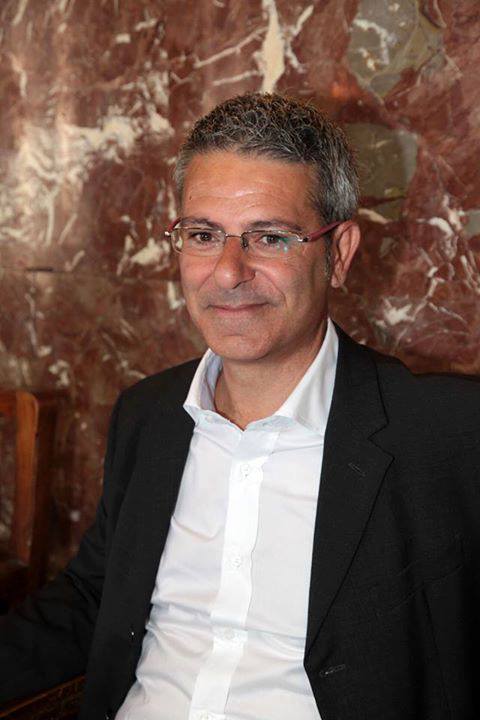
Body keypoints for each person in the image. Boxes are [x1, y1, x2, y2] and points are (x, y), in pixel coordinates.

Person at [0, 92, 479, 720]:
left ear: (338, 254)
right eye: (203, 235)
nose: (228, 272)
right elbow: (93, 594)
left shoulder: (446, 435)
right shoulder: (148, 414)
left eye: (270, 237)